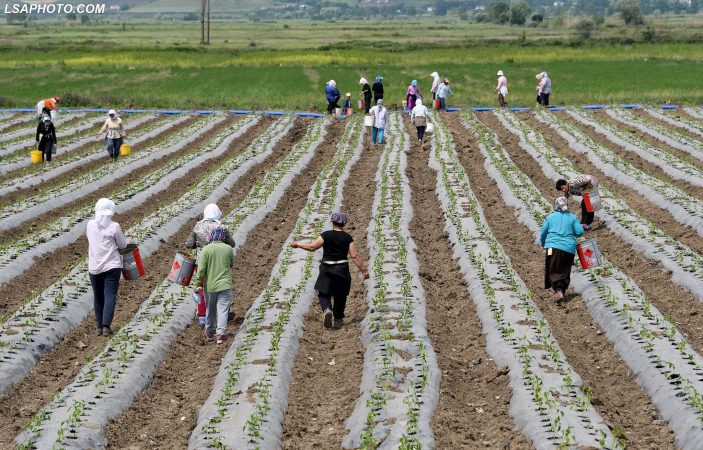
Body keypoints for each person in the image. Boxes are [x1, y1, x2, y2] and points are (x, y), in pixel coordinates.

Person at [290, 212, 369, 328]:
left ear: (333, 222)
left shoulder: (326, 235)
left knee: (323, 292)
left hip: (327, 268)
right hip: (342, 269)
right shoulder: (348, 238)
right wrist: (364, 270)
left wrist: (298, 244)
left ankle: (327, 309)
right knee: (340, 295)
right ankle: (338, 319)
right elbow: (354, 255)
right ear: (344, 223)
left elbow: (312, 247)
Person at [185, 203, 236, 326]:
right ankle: (223, 313)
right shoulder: (221, 227)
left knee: (201, 287)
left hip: (201, 262)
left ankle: (202, 316)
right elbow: (231, 243)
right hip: (218, 262)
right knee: (221, 285)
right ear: (217, 213)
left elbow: (189, 244)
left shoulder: (198, 227)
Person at [87, 198, 127, 336]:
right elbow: (123, 246)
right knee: (110, 295)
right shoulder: (114, 226)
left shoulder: (90, 225)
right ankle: (106, 326)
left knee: (98, 296)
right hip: (112, 266)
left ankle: (99, 326)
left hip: (94, 266)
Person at [193, 227, 235, 344]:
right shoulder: (228, 249)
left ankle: (210, 331)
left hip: (210, 286)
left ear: (211, 237)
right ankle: (220, 335)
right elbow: (231, 264)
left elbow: (201, 270)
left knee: (210, 308)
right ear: (222, 237)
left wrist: (197, 284)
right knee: (223, 309)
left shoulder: (206, 250)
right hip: (225, 284)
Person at [540, 197, 584, 302]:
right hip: (569, 248)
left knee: (552, 267)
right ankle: (561, 290)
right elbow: (580, 232)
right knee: (565, 268)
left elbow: (543, 233)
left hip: (552, 247)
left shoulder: (550, 217)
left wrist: (543, 242)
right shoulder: (572, 217)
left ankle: (558, 289)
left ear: (555, 205)